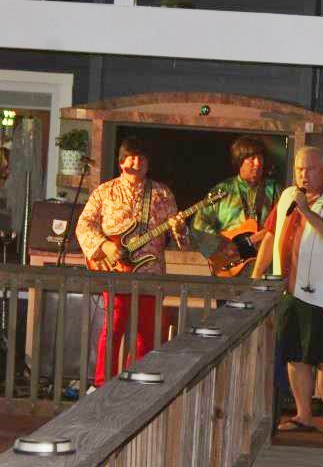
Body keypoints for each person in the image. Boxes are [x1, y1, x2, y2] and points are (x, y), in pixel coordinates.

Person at [252, 146, 323, 439]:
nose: (303, 175)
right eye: (299, 169)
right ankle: (303, 414)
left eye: (309, 169)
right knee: (295, 356)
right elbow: (270, 235)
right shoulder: (288, 196)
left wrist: (306, 211)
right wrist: (256, 274)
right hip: (287, 291)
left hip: (322, 293)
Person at [75, 136, 188, 386]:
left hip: (150, 272)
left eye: (142, 158)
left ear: (148, 163)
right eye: (131, 157)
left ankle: (137, 385)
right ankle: (102, 384)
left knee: (147, 333)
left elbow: (180, 239)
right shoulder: (104, 192)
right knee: (113, 327)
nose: (137, 162)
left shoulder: (162, 193)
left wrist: (180, 228)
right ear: (121, 161)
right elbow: (84, 225)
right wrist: (104, 245)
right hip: (116, 271)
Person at [192, 135, 281, 277]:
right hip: (229, 268)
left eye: (260, 158)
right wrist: (221, 244)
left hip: (265, 268)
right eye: (251, 158)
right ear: (240, 161)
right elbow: (198, 224)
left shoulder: (275, 190)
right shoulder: (222, 190)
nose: (258, 163)